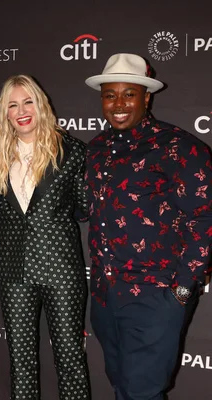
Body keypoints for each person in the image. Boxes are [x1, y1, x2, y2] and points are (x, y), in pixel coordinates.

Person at [84, 53, 212, 400]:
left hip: (156, 296)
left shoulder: (179, 148)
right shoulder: (96, 149)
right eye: (110, 95)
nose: (119, 104)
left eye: (129, 94)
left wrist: (182, 290)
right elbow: (87, 209)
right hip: (105, 296)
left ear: (146, 96)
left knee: (143, 393)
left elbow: (205, 218)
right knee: (122, 387)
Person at [0, 74, 90, 399]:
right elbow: (5, 212)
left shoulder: (71, 151)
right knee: (22, 362)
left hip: (62, 270)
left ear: (40, 104)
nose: (21, 110)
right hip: (14, 272)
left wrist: (47, 229)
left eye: (28, 101)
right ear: (5, 112)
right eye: (13, 104)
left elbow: (84, 208)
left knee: (70, 359)